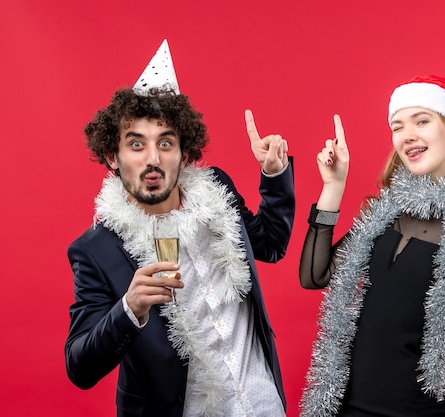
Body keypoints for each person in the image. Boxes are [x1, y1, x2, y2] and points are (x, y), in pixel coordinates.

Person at [64, 39, 295, 417]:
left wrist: (274, 175)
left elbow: (270, 245)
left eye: (165, 143)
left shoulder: (218, 191)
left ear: (184, 152)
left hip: (263, 403)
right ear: (112, 156)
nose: (152, 159)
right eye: (136, 144)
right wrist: (130, 307)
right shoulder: (97, 250)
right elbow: (80, 367)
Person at [299, 75, 445, 417]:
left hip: (413, 411)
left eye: (422, 120)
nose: (407, 135)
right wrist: (333, 187)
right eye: (398, 126)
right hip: (342, 404)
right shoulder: (386, 209)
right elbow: (315, 275)